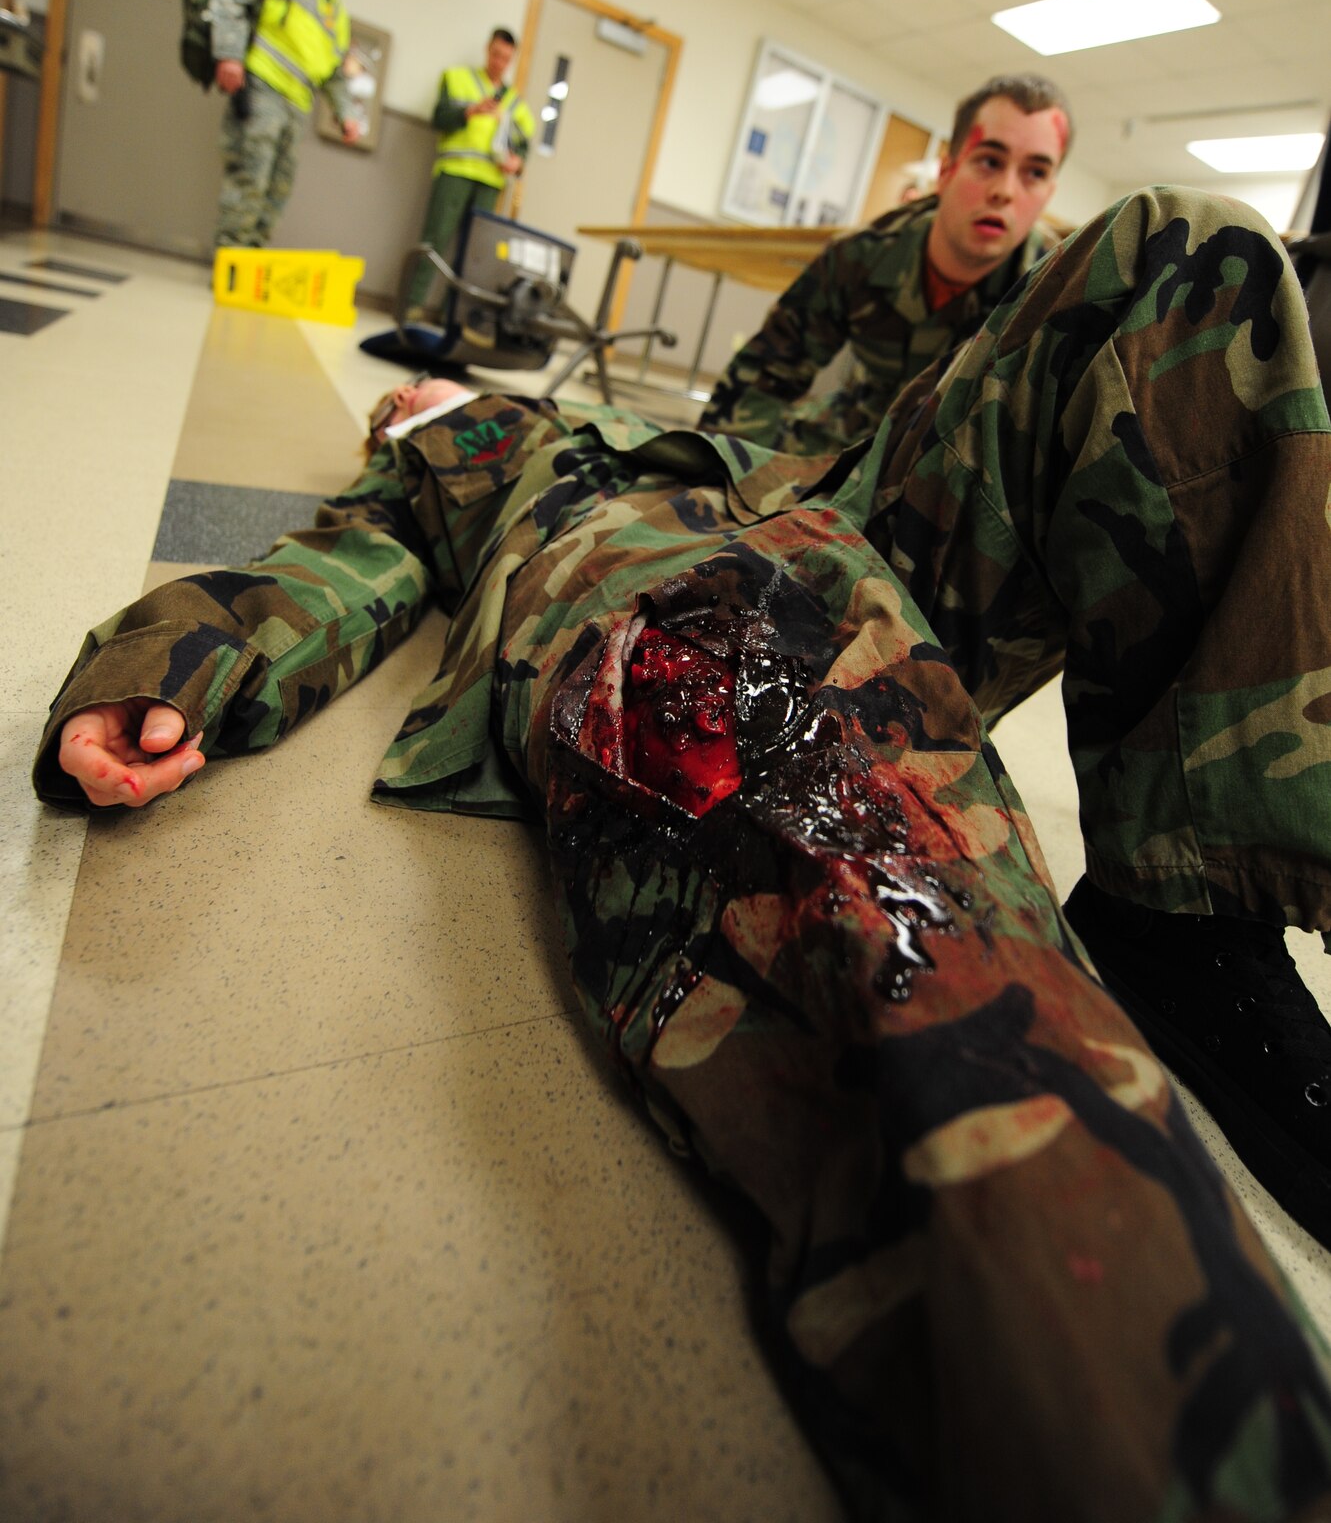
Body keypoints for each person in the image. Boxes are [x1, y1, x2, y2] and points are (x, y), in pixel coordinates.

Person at [37, 186, 1331, 1521]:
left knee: (1188, 256)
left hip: (858, 517)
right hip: (678, 599)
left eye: (410, 399)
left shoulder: (719, 419)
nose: (400, 409)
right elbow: (327, 571)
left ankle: (1188, 910)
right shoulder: (467, 456)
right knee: (915, 944)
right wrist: (174, 668)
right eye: (391, 413)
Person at [701, 73, 1072, 453]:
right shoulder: (860, 255)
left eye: (1035, 173)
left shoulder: (1058, 288)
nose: (1005, 191)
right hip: (859, 428)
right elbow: (761, 380)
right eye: (989, 161)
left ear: (1049, 194)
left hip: (965, 453)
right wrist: (725, 481)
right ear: (946, 173)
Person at [211, 0, 359, 250]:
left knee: (277, 191)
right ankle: (231, 266)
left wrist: (346, 113)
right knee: (251, 180)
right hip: (261, 87)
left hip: (298, 106)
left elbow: (334, 69)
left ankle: (252, 270)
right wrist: (230, 54)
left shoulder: (334, 7)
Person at [402, 28, 537, 318]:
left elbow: (523, 149)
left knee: (473, 253)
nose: (499, 62)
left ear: (512, 60)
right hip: (455, 172)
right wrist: (469, 112)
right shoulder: (458, 79)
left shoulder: (516, 103)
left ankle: (451, 315)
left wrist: (517, 164)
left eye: (506, 58)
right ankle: (410, 306)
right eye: (496, 54)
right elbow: (439, 117)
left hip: (490, 182)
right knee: (434, 240)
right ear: (488, 50)